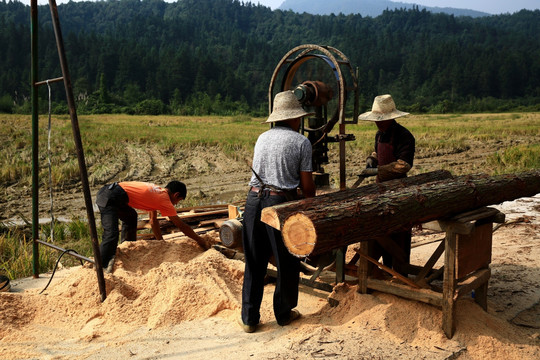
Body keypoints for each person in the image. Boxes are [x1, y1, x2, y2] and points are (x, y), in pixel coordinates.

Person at [240, 90, 316, 333]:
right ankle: (283, 314)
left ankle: (249, 319)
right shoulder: (301, 142)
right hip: (278, 205)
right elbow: (306, 185)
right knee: (286, 261)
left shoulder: (262, 137)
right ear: (295, 118)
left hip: (253, 201)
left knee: (253, 260)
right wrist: (311, 206)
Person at [358, 94, 416, 276]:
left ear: (391, 118)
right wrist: (371, 160)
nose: (378, 123)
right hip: (380, 190)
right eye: (376, 120)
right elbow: (377, 151)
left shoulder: (404, 136)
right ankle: (384, 270)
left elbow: (403, 165)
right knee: (382, 232)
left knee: (399, 234)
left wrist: (378, 171)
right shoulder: (379, 134)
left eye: (381, 120)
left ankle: (400, 273)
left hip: (398, 190)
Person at [96, 180, 208, 272]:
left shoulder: (157, 192)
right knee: (111, 233)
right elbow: (181, 225)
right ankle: (102, 266)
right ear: (176, 195)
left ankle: (127, 246)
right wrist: (200, 240)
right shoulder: (163, 199)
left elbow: (153, 221)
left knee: (131, 216)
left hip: (115, 194)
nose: (176, 204)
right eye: (178, 201)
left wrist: (161, 242)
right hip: (110, 196)